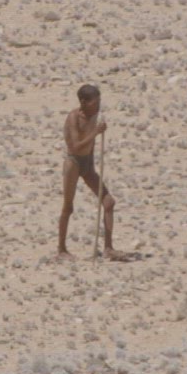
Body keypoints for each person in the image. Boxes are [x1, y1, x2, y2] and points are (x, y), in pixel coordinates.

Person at [58, 83, 118, 259]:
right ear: (83, 102)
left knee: (108, 202)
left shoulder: (95, 115)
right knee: (68, 207)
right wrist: (95, 134)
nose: (98, 106)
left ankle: (108, 248)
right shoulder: (73, 118)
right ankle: (61, 249)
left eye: (99, 102)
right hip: (73, 164)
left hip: (88, 164)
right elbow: (75, 146)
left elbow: (89, 145)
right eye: (94, 103)